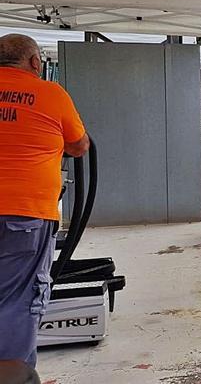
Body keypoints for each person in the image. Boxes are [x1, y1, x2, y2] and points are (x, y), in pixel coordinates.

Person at [0, 34, 90, 369]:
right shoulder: (50, 94)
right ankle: (13, 375)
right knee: (18, 299)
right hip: (25, 213)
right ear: (35, 62)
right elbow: (80, 145)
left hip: (23, 213)